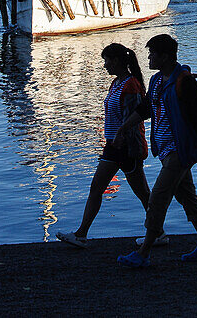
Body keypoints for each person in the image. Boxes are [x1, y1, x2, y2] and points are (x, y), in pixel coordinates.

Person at [114, 33, 197, 268]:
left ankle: (144, 251)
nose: (148, 57)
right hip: (165, 150)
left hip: (180, 150)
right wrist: (124, 127)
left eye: (152, 53)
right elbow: (146, 108)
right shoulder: (158, 81)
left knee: (158, 198)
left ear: (166, 56)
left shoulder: (183, 81)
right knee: (187, 196)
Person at [56, 43, 153, 248]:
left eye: (106, 61)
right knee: (101, 188)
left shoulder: (131, 85)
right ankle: (82, 233)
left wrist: (124, 139)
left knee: (140, 192)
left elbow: (134, 118)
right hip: (112, 145)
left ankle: (157, 231)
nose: (105, 65)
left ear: (116, 61)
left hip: (125, 147)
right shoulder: (116, 83)